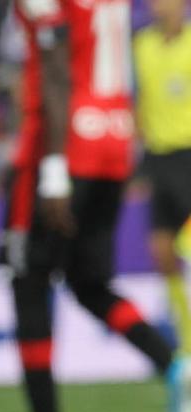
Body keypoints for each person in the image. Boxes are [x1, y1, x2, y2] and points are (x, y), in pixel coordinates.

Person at [0, 0, 191, 412]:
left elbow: (55, 67)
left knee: (28, 281)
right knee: (89, 282)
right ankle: (175, 363)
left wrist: (53, 168)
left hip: (61, 147)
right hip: (113, 143)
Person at [134, 0, 191, 359]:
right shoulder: (141, 45)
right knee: (162, 252)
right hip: (158, 157)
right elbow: (137, 100)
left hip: (190, 151)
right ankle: (187, 339)